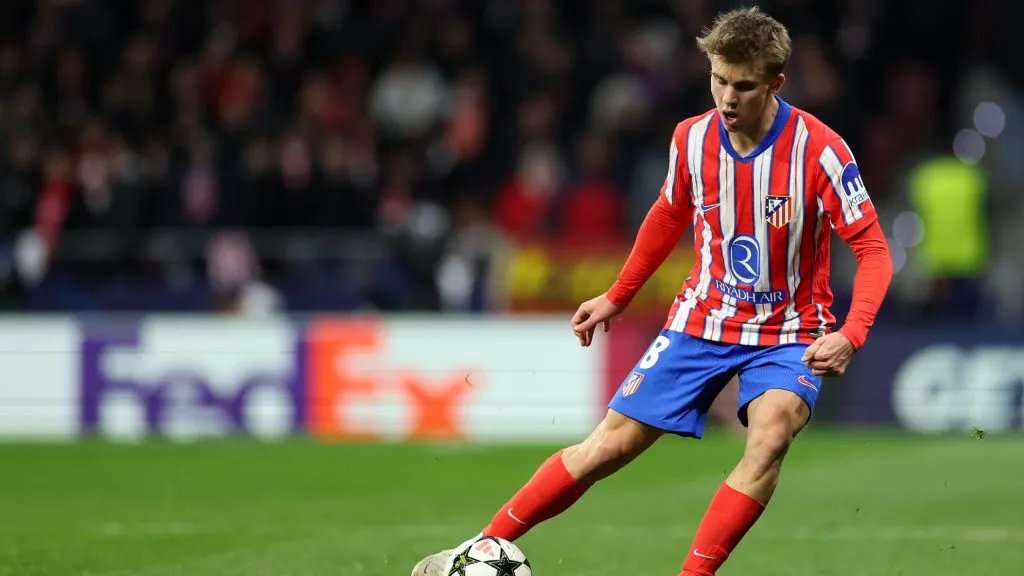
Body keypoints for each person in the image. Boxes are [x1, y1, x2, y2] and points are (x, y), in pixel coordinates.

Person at [412, 7, 893, 575]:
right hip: (704, 319)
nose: (728, 97)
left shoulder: (822, 151)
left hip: (790, 331)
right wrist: (617, 294)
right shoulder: (690, 140)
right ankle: (478, 552)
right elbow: (667, 216)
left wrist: (852, 333)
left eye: (744, 85)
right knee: (607, 448)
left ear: (775, 84)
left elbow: (874, 251)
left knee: (770, 438)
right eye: (718, 80)